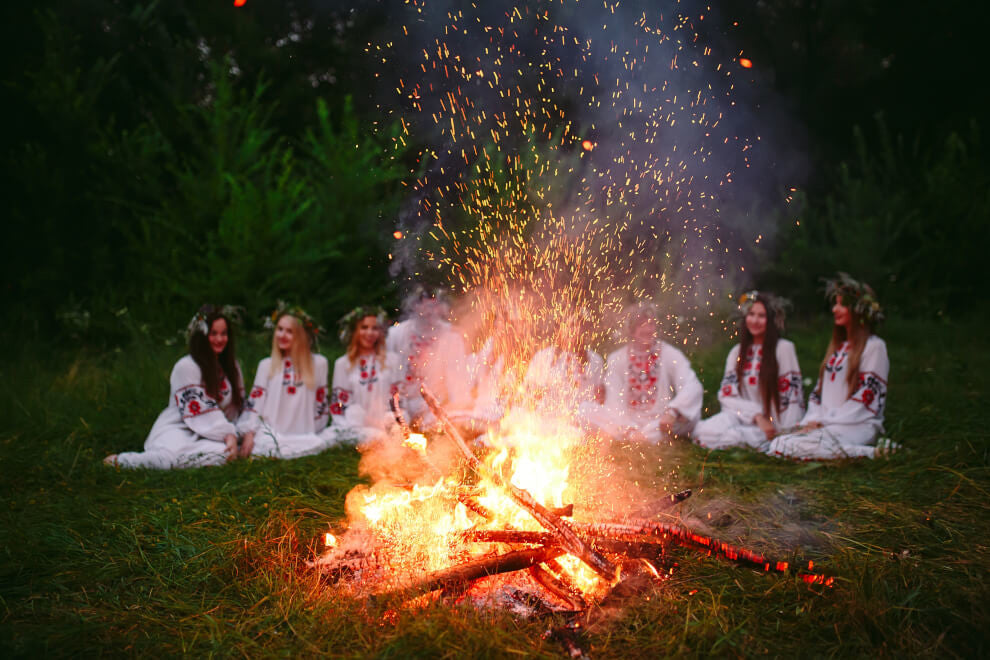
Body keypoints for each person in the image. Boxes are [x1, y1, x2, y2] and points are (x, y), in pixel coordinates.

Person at [768, 273, 893, 459]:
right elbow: (819, 394)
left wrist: (826, 421)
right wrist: (813, 420)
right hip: (828, 425)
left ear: (859, 309)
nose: (835, 309)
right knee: (779, 444)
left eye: (842, 304)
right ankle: (856, 452)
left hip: (856, 425)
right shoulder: (838, 349)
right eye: (835, 303)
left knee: (784, 446)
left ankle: (868, 453)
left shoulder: (874, 347)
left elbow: (867, 399)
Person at [105, 305, 245, 468]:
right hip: (180, 427)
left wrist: (240, 433)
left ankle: (190, 460)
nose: (220, 339)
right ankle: (120, 461)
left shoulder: (232, 367)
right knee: (167, 460)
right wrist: (228, 434)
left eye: (224, 333)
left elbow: (237, 407)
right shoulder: (187, 366)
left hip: (211, 435)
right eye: (213, 333)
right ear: (202, 335)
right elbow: (199, 410)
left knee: (223, 454)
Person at [694, 291, 804, 451]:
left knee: (733, 437)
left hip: (772, 425)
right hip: (743, 417)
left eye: (762, 316)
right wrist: (756, 415)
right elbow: (727, 395)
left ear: (771, 320)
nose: (755, 320)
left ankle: (772, 441)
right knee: (702, 430)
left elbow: (792, 396)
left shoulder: (783, 348)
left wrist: (788, 431)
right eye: (751, 314)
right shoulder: (737, 352)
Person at [581, 304, 703, 443]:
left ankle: (639, 439)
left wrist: (672, 412)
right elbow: (614, 401)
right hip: (627, 422)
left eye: (651, 324)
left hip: (660, 422)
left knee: (690, 415)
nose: (648, 329)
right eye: (642, 325)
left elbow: (691, 385)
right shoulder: (616, 359)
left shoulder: (670, 353)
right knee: (586, 409)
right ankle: (636, 437)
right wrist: (629, 428)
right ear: (632, 331)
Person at [239, 303, 330, 459]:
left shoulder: (318, 363)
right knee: (266, 447)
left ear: (300, 335)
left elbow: (320, 403)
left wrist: (314, 428)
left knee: (317, 443)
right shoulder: (266, 365)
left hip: (304, 433)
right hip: (273, 432)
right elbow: (256, 404)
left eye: (289, 332)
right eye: (280, 329)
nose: (282, 335)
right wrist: (250, 433)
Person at [386, 286, 472, 427]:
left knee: (440, 426)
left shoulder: (451, 337)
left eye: (434, 305)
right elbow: (387, 372)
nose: (429, 311)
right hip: (401, 402)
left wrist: (459, 405)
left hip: (434, 404)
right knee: (393, 425)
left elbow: (457, 379)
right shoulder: (396, 334)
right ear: (414, 306)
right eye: (424, 305)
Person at [323, 306, 398, 446]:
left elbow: (399, 399)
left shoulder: (392, 360)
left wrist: (385, 421)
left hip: (386, 420)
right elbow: (341, 405)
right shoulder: (343, 364)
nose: (369, 333)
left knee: (396, 431)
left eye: (374, 328)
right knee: (375, 437)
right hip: (357, 424)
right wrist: (365, 420)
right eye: (364, 327)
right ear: (355, 331)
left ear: (380, 332)